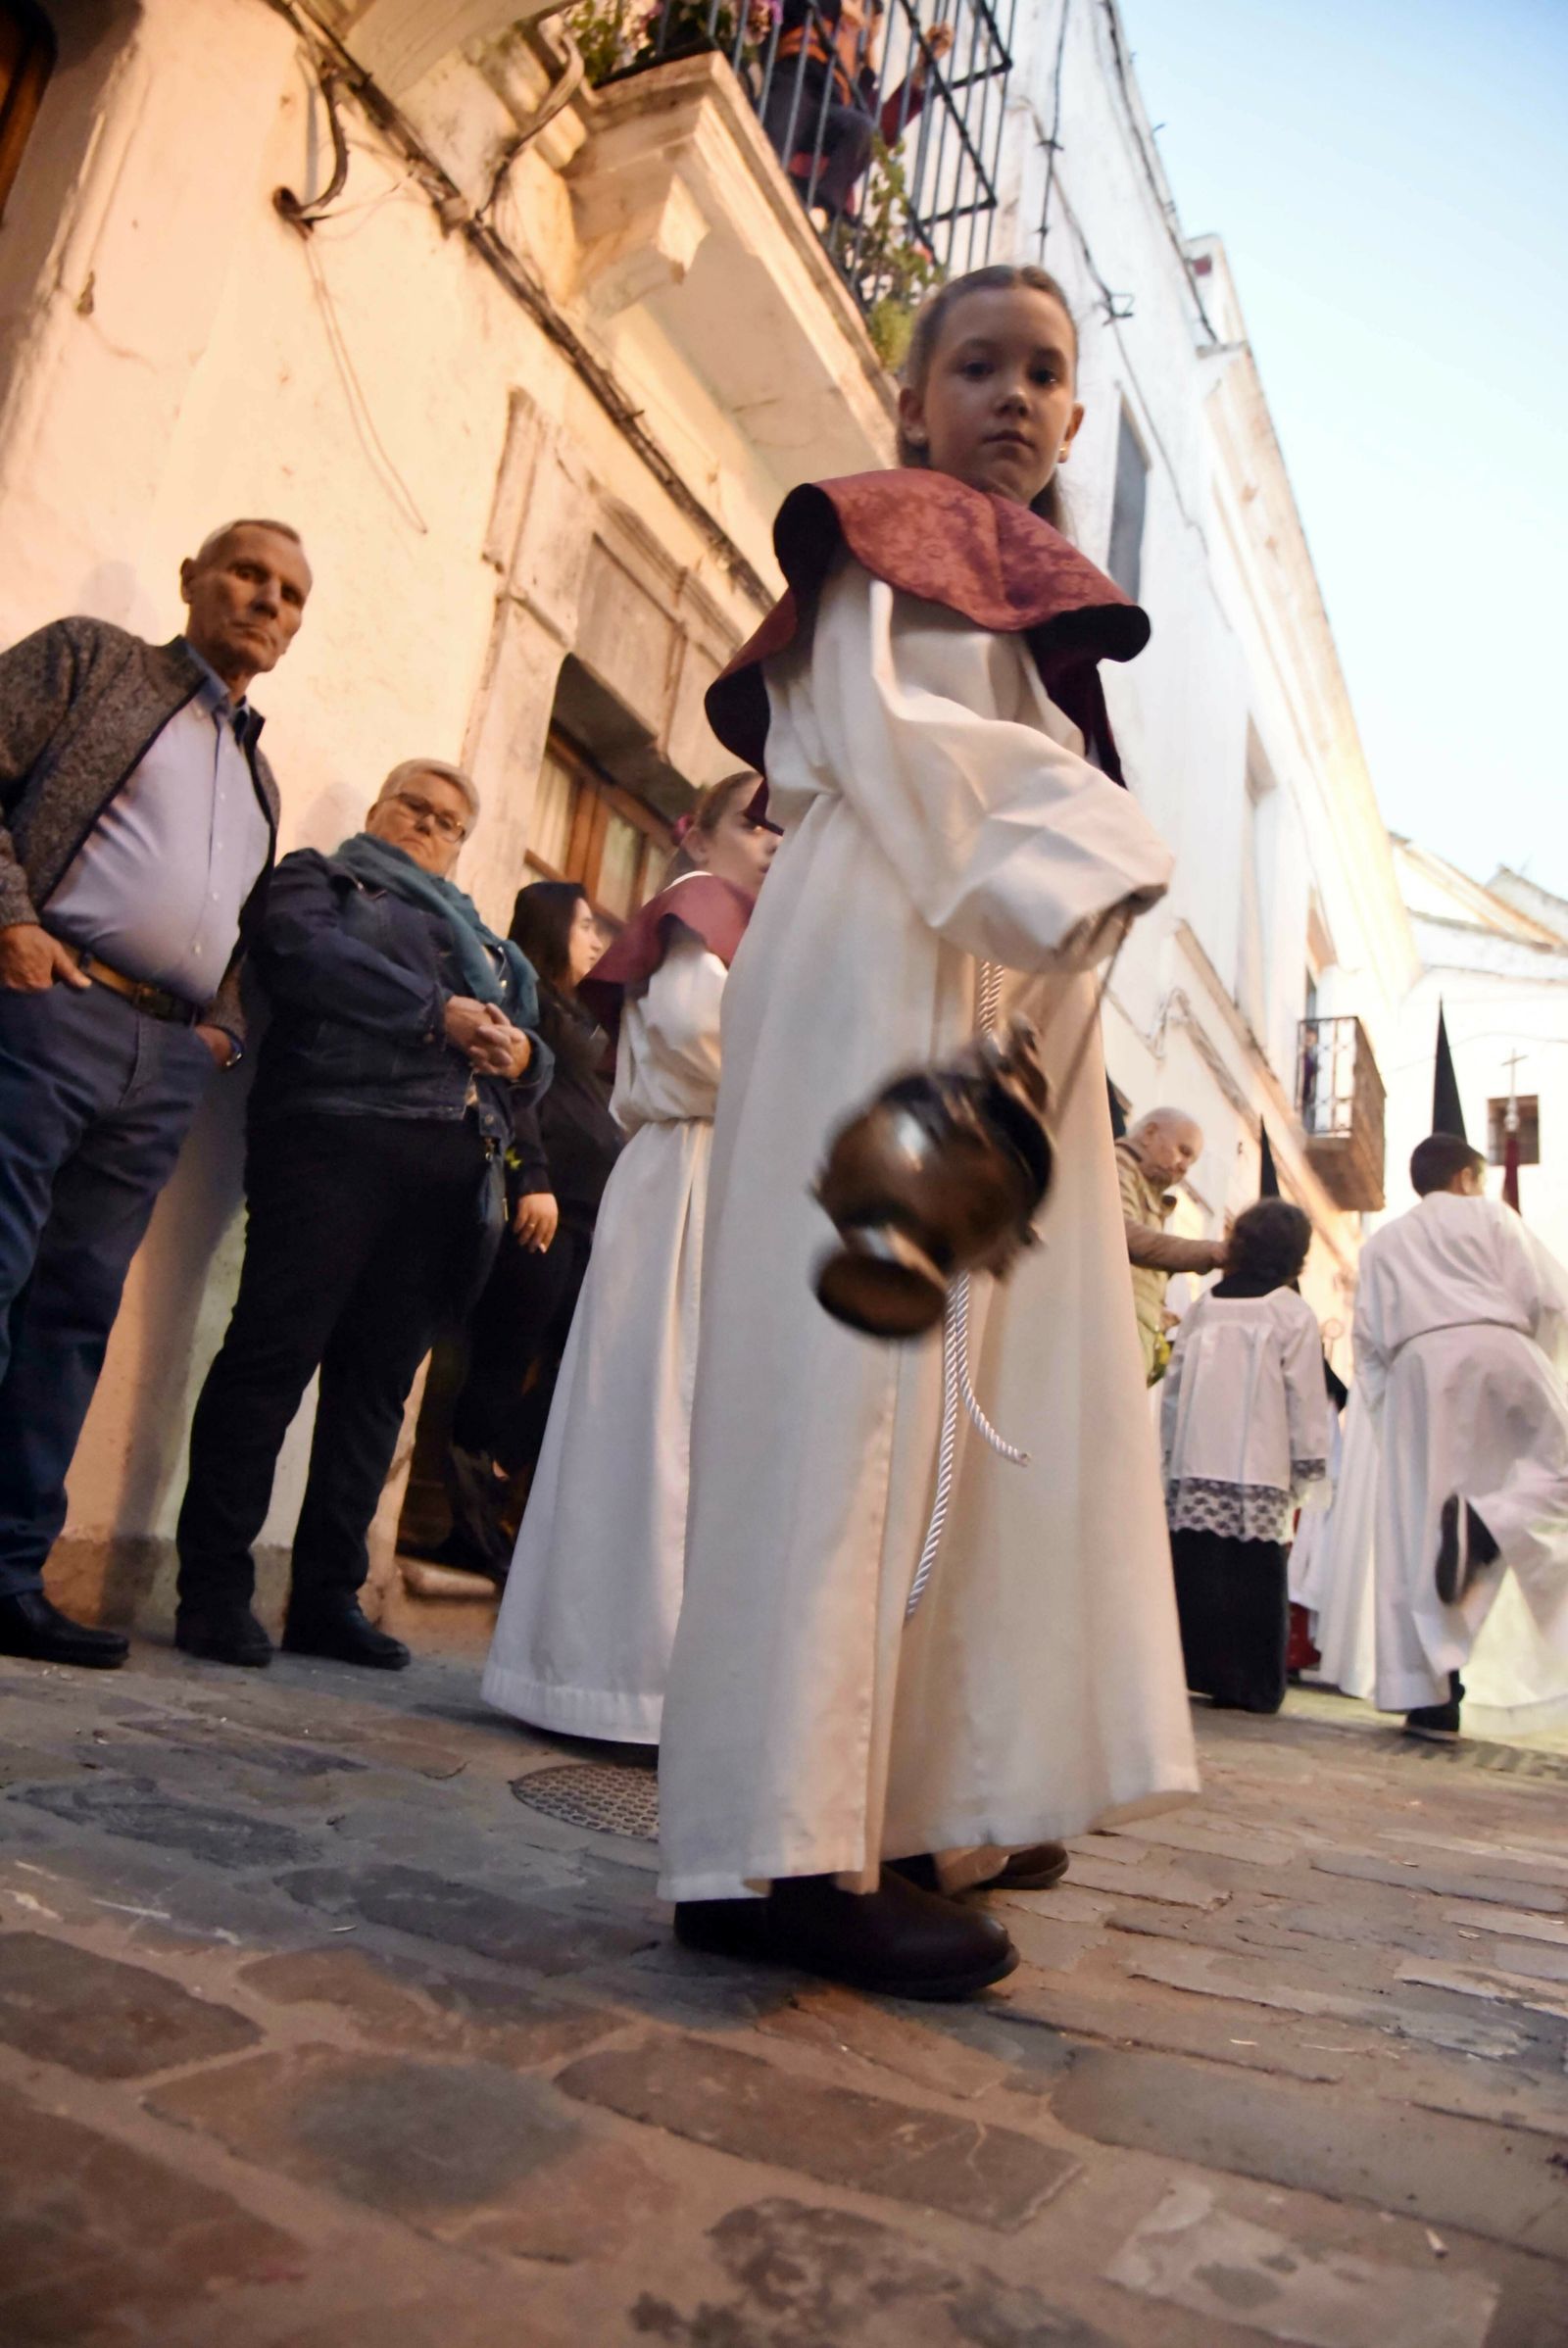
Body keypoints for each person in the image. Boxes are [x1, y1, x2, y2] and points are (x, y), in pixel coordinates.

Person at [658, 262, 1199, 1999]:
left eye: (1047, 374)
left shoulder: (1014, 596)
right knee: (851, 1396)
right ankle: (787, 1847)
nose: (1015, 399)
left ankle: (858, 1808)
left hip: (953, 988)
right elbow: (918, 765)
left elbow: (1010, 828)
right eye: (978, 365)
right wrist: (1106, 850)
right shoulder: (889, 546)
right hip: (874, 969)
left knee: (922, 1399)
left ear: (1077, 419)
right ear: (912, 399)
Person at [0, 519, 310, 1671]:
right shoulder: (94, 661)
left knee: (75, 1312)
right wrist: (14, 924)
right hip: (49, 1011)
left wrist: (220, 1025)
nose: (265, 601)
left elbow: (236, 917)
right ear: (191, 579)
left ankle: (11, 1570)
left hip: (161, 1060)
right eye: (246, 573)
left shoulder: (261, 773)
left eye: (288, 594)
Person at [173, 761, 548, 1672]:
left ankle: (328, 1598)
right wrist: (437, 1015)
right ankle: (215, 1593)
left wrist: (521, 1051)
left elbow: (531, 1080)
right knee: (271, 1356)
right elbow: (303, 955)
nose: (428, 826)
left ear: (464, 843)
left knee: (377, 1389)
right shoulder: (321, 878)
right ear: (378, 808)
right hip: (332, 1140)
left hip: (449, 1175)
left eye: (449, 821)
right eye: (414, 807)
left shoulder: (490, 947)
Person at [483, 774, 775, 1739]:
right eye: (754, 820)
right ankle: (628, 1685)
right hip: (691, 1170)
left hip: (711, 1173)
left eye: (787, 822)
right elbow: (698, 1040)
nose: (774, 838)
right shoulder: (699, 908)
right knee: (659, 1416)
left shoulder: (743, 920)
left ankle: (626, 1677)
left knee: (678, 1421)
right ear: (697, 834)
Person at [1353, 1132, 1568, 1737]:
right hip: (1504, 1344)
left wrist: (1389, 1417)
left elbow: (1368, 1341)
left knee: (1417, 1530)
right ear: (1467, 1178)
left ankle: (1432, 1696)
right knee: (1556, 1472)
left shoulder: (1382, 1244)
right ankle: (1494, 1522)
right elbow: (1547, 1297)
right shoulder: (1491, 1217)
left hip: (1418, 1367)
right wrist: (1537, 1364)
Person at [441, 881, 620, 1574]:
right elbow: (517, 1095)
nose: (597, 941)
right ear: (551, 929)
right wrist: (533, 1177)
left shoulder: (586, 1015)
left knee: (578, 1362)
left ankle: (493, 1484)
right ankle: (471, 1518)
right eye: (585, 926)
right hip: (543, 1202)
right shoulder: (528, 996)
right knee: (504, 1354)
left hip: (591, 1209)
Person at [1161, 1199, 1331, 1714]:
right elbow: (1304, 1395)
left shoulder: (1205, 1306)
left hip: (1196, 1462)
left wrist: (1168, 1455)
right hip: (1259, 1466)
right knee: (1255, 1579)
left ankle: (1203, 1672)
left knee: (1200, 1572)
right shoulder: (1290, 1312)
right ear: (1296, 1253)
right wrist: (1309, 1462)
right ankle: (1253, 1685)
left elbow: (1174, 1389)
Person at [764, 0, 952, 220]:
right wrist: (837, 7)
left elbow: (882, 129)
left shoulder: (851, 80)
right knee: (785, 112)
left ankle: (821, 211)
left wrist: (922, 68)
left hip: (825, 119)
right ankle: (763, 171)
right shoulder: (807, 18)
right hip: (795, 77)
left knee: (864, 129)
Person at [1116, 1108, 1228, 1382]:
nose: (1184, 1166)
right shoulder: (1116, 1166)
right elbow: (1126, 1236)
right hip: (1112, 1325)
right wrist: (1211, 1252)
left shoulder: (1144, 1187)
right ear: (1150, 1133)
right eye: (1183, 1151)